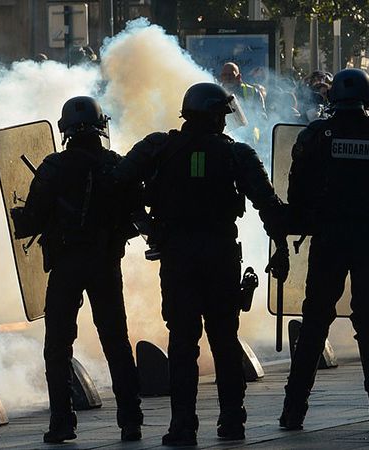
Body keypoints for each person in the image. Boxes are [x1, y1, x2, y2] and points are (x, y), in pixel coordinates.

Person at [112, 82, 290, 446]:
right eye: (221, 116)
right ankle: (232, 421)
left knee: (182, 343)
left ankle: (183, 427)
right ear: (212, 116)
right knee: (224, 341)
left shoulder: (159, 147)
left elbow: (117, 181)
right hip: (220, 255)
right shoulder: (236, 154)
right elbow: (267, 203)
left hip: (178, 257)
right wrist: (282, 246)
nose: (224, 123)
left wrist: (144, 222)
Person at [279, 69, 369, 433]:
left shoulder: (316, 136)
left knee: (314, 325)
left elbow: (296, 194)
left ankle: (292, 413)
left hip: (328, 239)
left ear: (332, 100)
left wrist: (307, 223)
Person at [10, 96, 143, 444]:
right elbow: (135, 217)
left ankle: (62, 423)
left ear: (66, 129)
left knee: (57, 347)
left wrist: (18, 213)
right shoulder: (115, 165)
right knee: (116, 342)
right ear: (100, 128)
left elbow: (31, 221)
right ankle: (130, 421)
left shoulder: (53, 167)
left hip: (67, 264)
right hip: (104, 263)